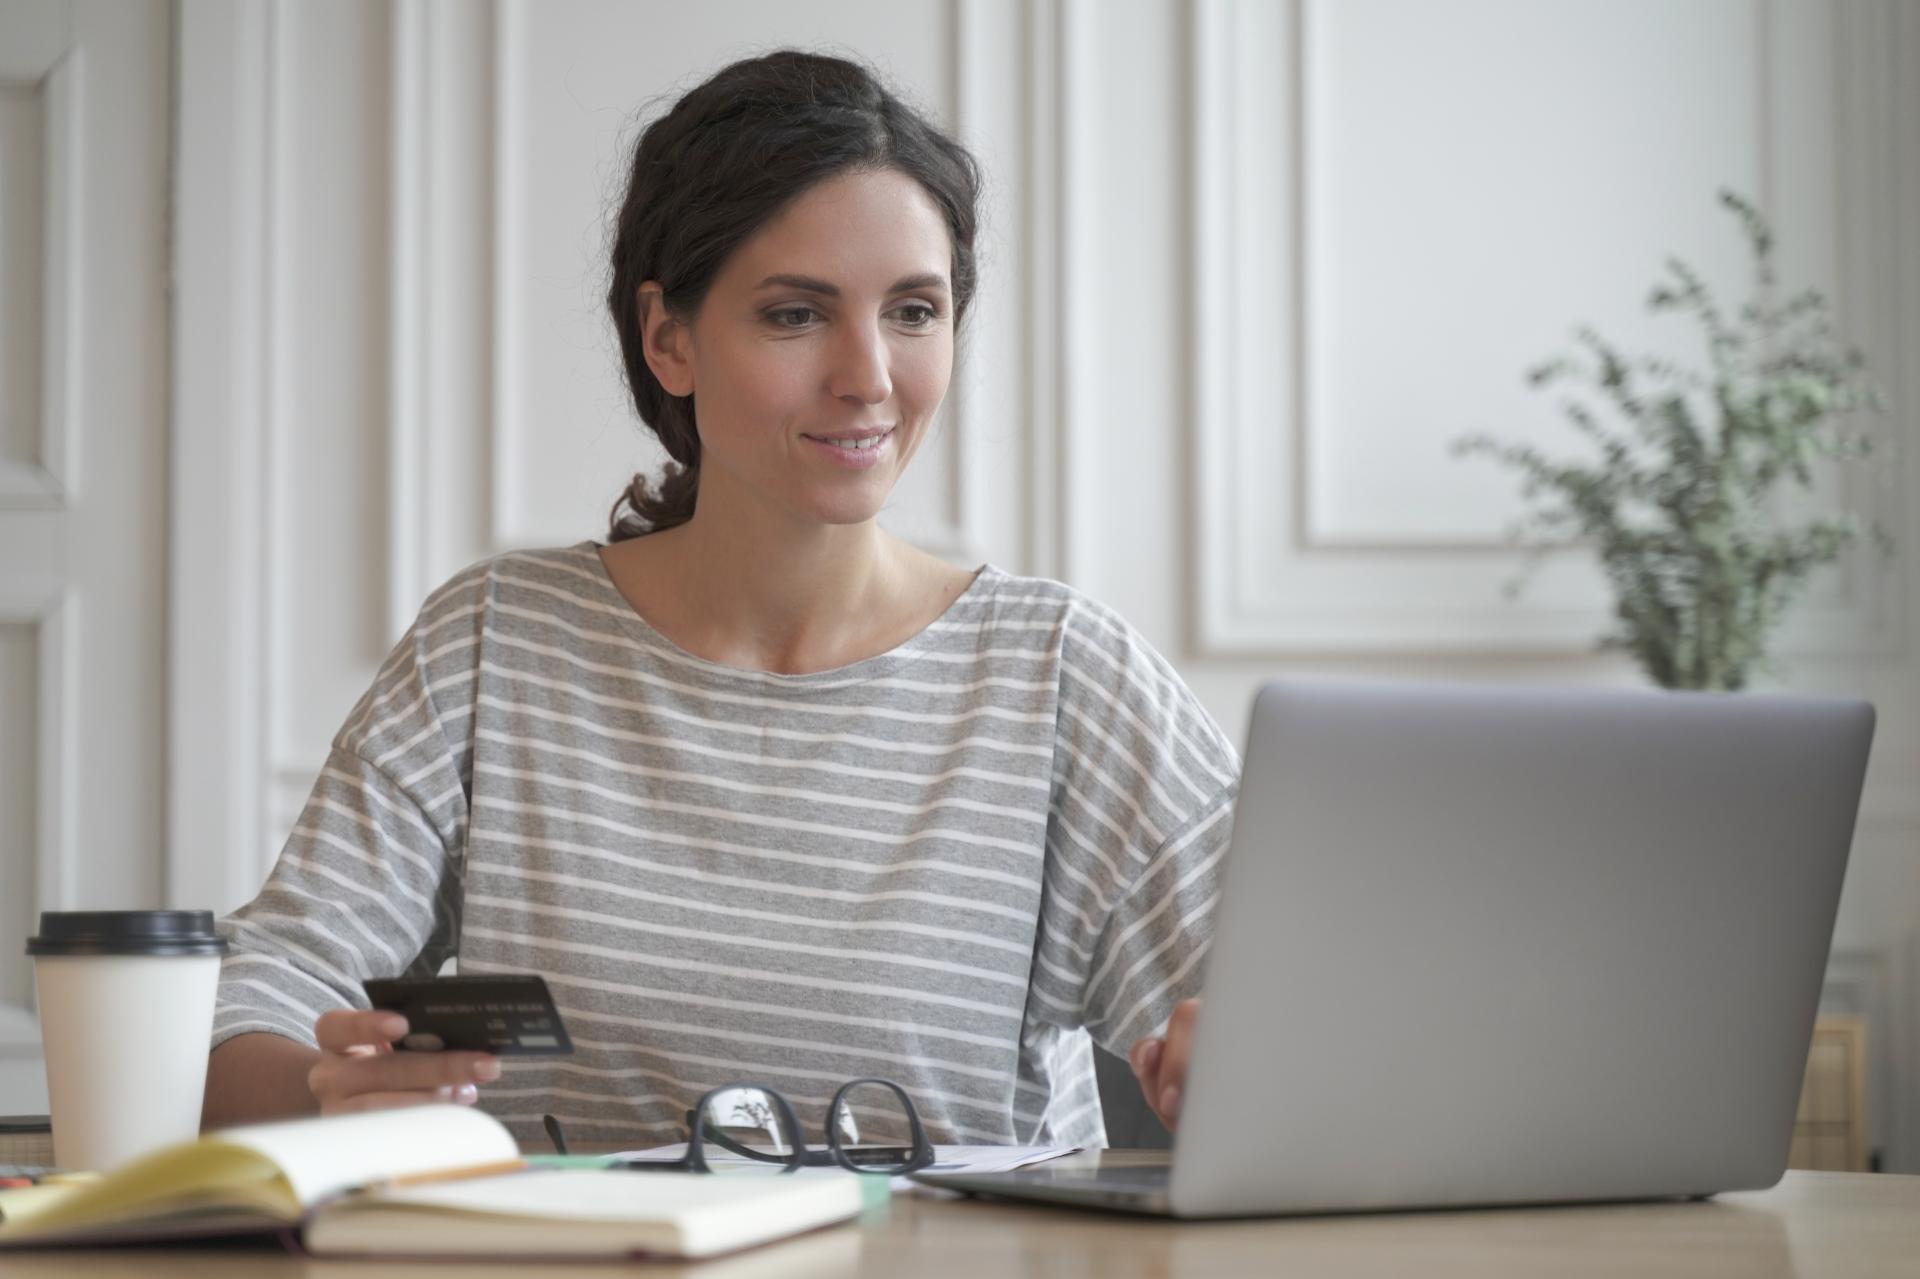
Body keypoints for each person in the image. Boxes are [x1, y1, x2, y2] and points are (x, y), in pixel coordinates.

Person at [201, 49, 1237, 1151]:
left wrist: (1220, 1063)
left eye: (914, 312)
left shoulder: (1062, 675)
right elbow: (250, 1005)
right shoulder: (496, 644)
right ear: (669, 337)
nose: (869, 376)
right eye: (797, 315)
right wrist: (322, 1084)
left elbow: (1277, 1014)